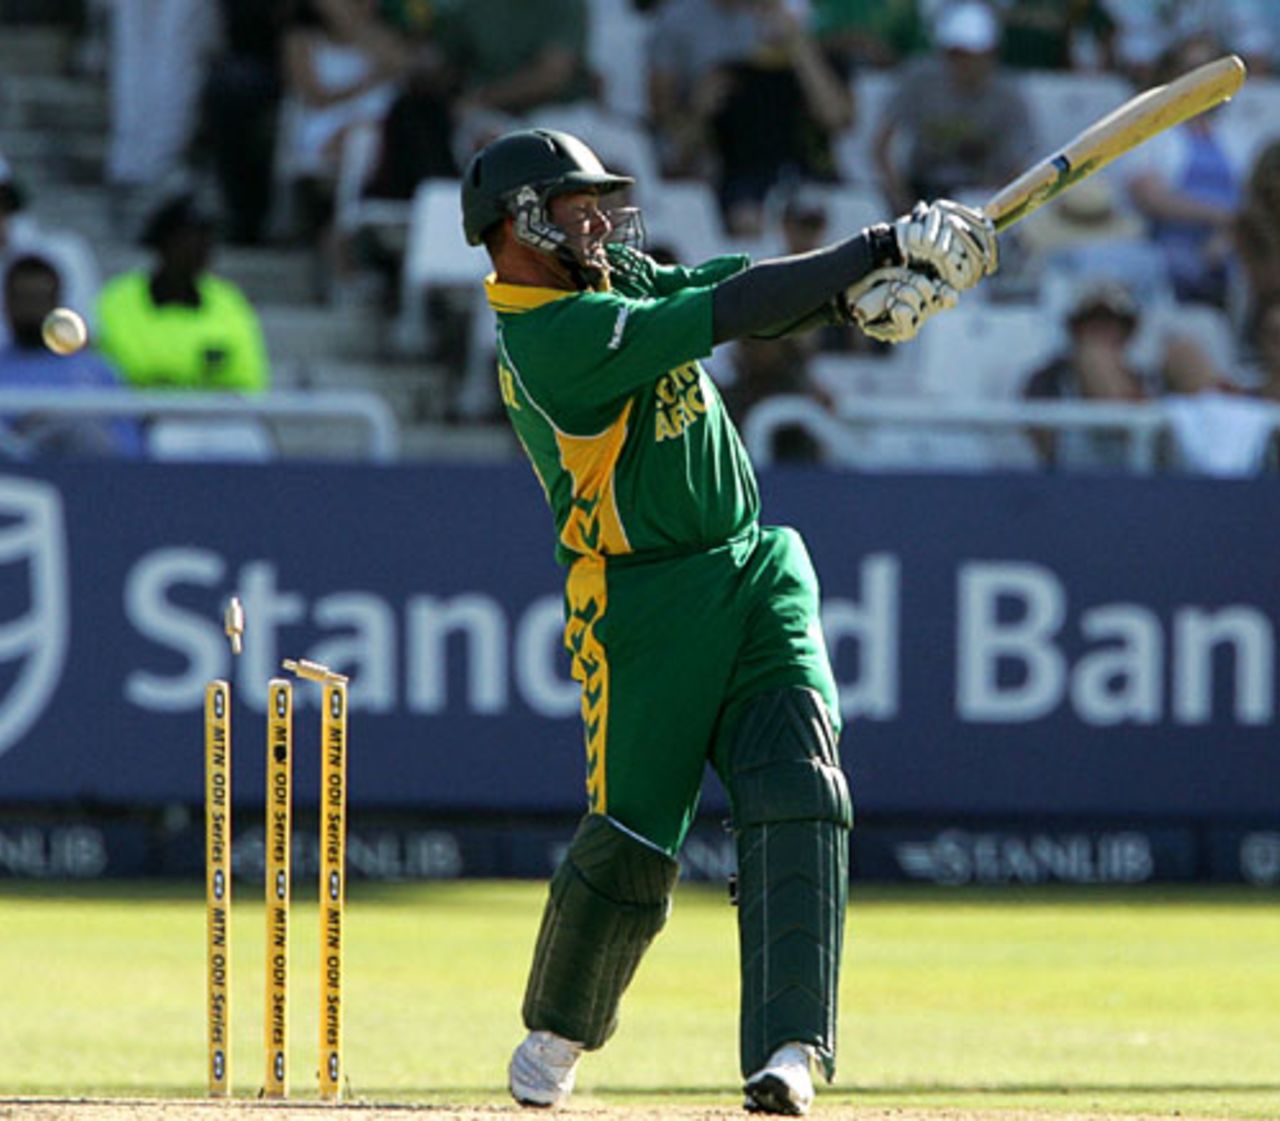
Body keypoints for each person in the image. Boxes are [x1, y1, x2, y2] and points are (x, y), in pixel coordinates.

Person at [460, 127, 997, 1114]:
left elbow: (734, 281)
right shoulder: (548, 340)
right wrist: (878, 247)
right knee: (631, 840)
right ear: (514, 222)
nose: (600, 218)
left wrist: (853, 298)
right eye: (574, 204)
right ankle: (558, 1029)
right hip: (641, 602)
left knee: (799, 783)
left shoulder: (607, 276)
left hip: (752, 567)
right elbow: (728, 310)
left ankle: (788, 1048)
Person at [648, 0, 854, 237]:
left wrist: (798, 46)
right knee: (749, 221)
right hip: (747, 185)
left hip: (811, 178)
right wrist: (699, 109)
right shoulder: (727, 75)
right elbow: (680, 147)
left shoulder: (817, 65)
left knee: (847, 212)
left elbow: (836, 118)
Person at [95, 192, 269, 392]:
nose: (200, 247)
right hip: (140, 418)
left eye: (206, 238)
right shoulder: (117, 299)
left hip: (216, 419)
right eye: (189, 237)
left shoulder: (228, 300)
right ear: (162, 243)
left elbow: (248, 378)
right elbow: (113, 371)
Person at [872, 1, 1035, 213]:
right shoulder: (919, 80)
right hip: (923, 189)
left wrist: (995, 207)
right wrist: (900, 197)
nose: (964, 64)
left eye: (971, 54)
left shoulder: (1009, 95)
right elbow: (882, 144)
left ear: (991, 54)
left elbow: (1021, 160)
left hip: (981, 194)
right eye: (956, 54)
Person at [0, 254, 143, 459]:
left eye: (38, 299)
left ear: (57, 304)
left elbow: (128, 447)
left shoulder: (96, 371)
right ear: (6, 303)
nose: (30, 310)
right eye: (22, 299)